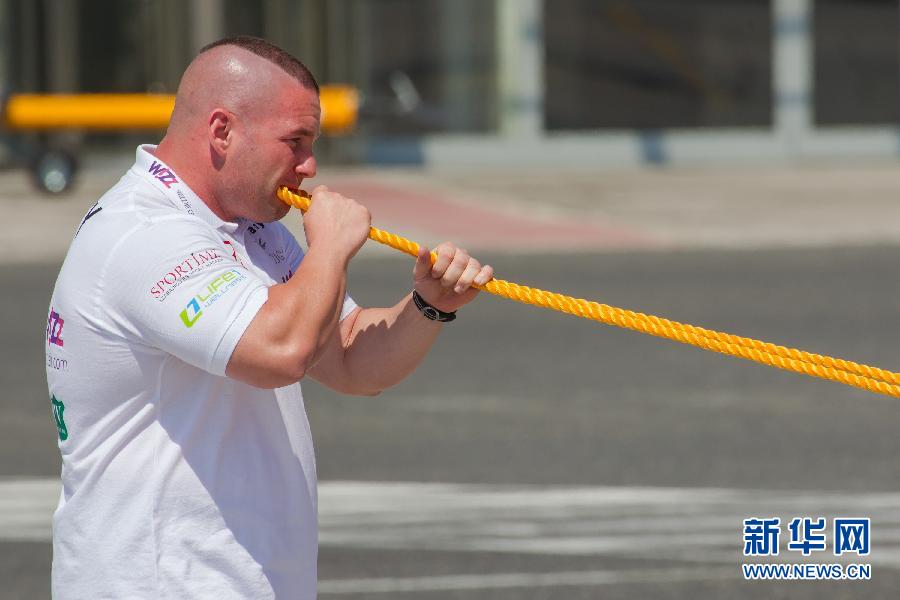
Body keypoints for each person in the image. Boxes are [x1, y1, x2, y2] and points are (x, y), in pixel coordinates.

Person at [45, 36, 493, 599]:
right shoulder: (144, 233)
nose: (309, 165)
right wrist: (329, 248)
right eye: (295, 142)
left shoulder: (251, 228)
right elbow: (279, 353)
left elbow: (351, 358)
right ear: (221, 131)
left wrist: (429, 305)